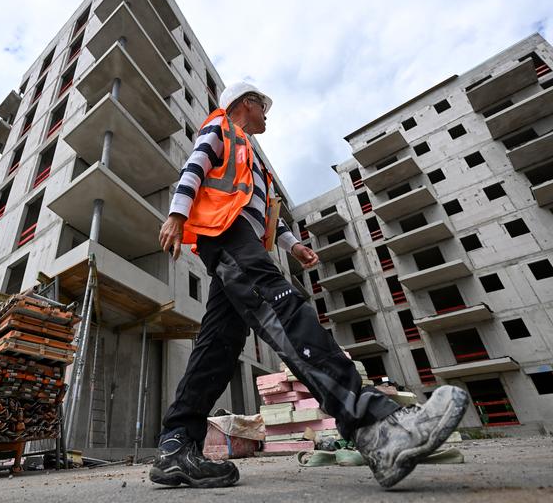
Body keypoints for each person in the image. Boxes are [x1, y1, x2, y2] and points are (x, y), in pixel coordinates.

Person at [149, 81, 468, 489]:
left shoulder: (251, 159)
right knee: (283, 307)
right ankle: (375, 427)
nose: (267, 113)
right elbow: (193, 166)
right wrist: (176, 215)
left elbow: (265, 212)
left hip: (238, 240)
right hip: (225, 236)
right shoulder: (221, 131)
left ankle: (176, 446)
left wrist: (293, 245)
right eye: (263, 106)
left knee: (219, 345)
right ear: (246, 104)